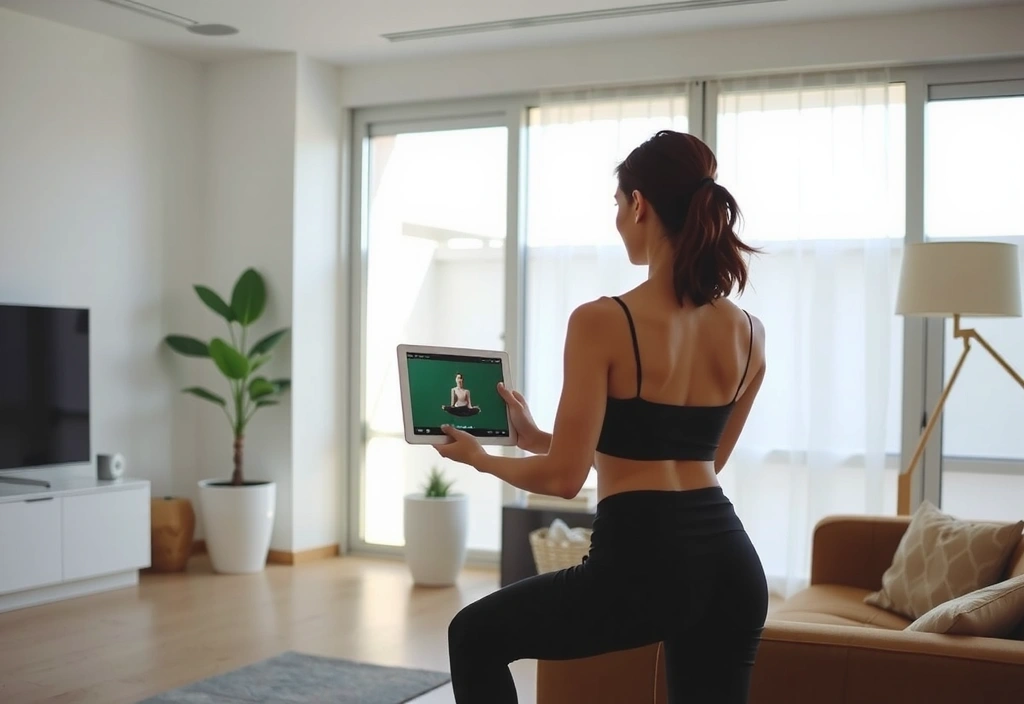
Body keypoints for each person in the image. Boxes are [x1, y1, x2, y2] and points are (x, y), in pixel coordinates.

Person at [435, 130, 769, 704]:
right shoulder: (750, 334)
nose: (617, 220)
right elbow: (692, 460)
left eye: (617, 203)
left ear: (639, 204)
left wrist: (481, 459)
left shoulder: (602, 321)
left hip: (643, 560)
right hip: (731, 566)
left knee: (473, 635)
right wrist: (541, 438)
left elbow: (565, 480)